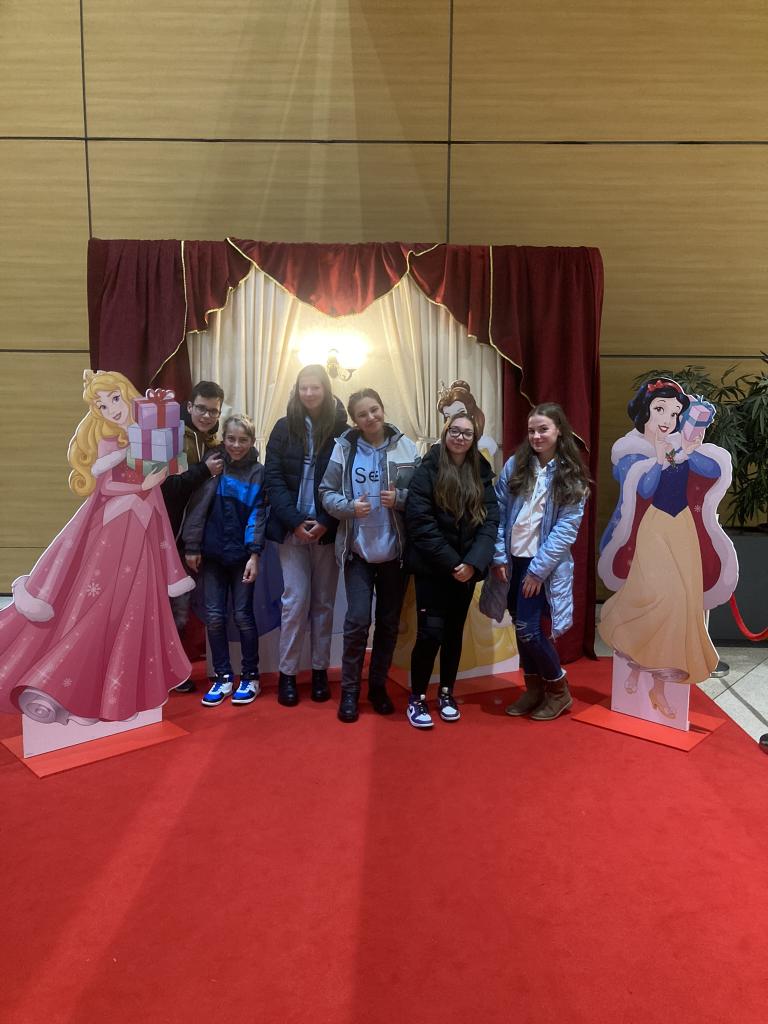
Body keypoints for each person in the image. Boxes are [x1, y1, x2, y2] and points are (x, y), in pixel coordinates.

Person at [0, 369, 194, 724]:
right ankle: (70, 688)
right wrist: (140, 478)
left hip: (141, 531)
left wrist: (163, 464)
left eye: (114, 399)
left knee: (135, 607)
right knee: (98, 604)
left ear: (126, 394)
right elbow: (106, 487)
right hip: (112, 532)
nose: (111, 409)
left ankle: (109, 694)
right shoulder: (109, 439)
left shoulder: (146, 431)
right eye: (102, 406)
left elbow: (160, 476)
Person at [598, 378, 735, 718]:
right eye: (660, 409)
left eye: (675, 414)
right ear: (644, 411)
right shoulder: (632, 450)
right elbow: (642, 489)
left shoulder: (681, 447)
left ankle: (657, 686)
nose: (667, 419)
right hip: (653, 529)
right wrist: (661, 460)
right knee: (652, 598)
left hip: (682, 527)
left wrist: (690, 447)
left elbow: (711, 471)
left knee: (682, 601)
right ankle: (637, 670)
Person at [320, 388, 419, 723]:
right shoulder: (344, 448)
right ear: (354, 420)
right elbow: (325, 492)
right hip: (357, 553)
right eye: (362, 414)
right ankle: (350, 692)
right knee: (357, 622)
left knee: (388, 625)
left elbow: (423, 495)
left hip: (395, 554)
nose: (371, 417)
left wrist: (401, 499)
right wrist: (349, 507)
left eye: (374, 410)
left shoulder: (407, 447)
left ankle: (377, 687)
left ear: (382, 408)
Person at [492, 403, 589, 721]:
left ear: (559, 430)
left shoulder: (570, 474)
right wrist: (498, 555)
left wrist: (536, 571)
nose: (536, 436)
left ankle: (559, 690)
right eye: (531, 430)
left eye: (543, 429)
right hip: (513, 561)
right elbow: (499, 511)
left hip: (540, 565)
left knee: (529, 629)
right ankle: (533, 689)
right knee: (520, 627)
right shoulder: (516, 465)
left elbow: (566, 529)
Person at [404, 413, 500, 729]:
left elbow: (490, 521)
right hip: (433, 569)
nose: (460, 437)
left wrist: (472, 563)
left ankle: (447, 693)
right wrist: (452, 563)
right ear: (445, 433)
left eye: (467, 433)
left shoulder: (481, 471)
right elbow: (420, 522)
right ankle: (417, 697)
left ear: (474, 439)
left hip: (466, 570)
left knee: (453, 633)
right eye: (454, 431)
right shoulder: (427, 469)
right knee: (430, 633)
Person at [264, 365, 348, 706]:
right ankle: (287, 674)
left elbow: (346, 482)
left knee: (324, 604)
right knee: (295, 601)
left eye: (315, 387)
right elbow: (273, 479)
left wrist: (326, 520)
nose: (309, 393)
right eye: (304, 387)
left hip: (326, 530)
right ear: (297, 390)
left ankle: (319, 672)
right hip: (291, 530)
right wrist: (296, 521)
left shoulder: (342, 430)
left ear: (326, 390)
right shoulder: (283, 428)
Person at [183, 414, 266, 708]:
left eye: (243, 440)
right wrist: (193, 545)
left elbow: (258, 515)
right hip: (213, 556)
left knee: (243, 616)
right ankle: (222, 676)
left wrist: (254, 554)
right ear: (223, 439)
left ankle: (251, 675)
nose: (236, 445)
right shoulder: (213, 465)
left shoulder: (258, 473)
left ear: (252, 442)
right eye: (231, 439)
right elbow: (197, 509)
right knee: (215, 617)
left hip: (241, 556)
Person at [162, 380, 225, 692]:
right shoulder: (171, 438)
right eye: (201, 408)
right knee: (165, 610)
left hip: (191, 541)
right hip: (163, 537)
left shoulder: (215, 444)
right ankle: (160, 674)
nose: (207, 415)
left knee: (182, 611)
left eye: (213, 411)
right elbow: (166, 487)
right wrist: (204, 470)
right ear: (189, 407)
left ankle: (172, 672)